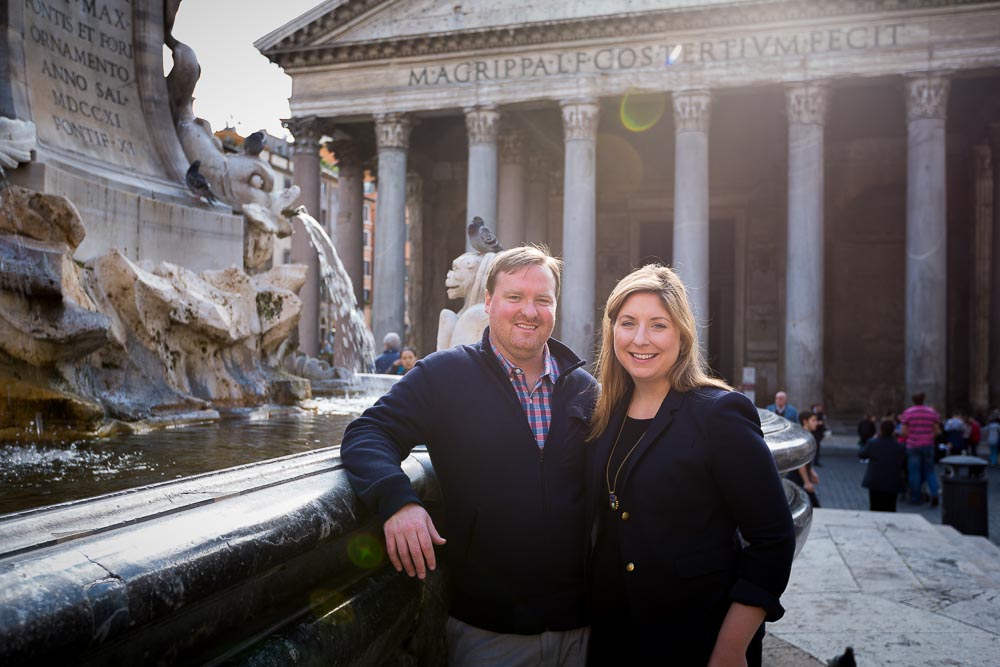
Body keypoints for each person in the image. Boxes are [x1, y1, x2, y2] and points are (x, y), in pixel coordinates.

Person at [341, 246, 598, 666]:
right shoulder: (443, 374)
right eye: (514, 297)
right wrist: (398, 501)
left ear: (555, 307)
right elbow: (368, 433)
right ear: (489, 302)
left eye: (542, 300)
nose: (528, 311)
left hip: (582, 630)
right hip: (489, 631)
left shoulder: (585, 388)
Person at [585, 264, 795, 666]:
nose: (640, 339)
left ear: (682, 335)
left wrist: (731, 649)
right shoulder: (605, 412)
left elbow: (774, 538)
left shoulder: (720, 413)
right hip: (615, 636)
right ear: (612, 331)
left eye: (658, 325)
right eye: (627, 323)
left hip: (696, 637)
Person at [900, 392, 941, 506]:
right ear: (924, 399)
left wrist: (912, 436)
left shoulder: (908, 413)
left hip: (913, 446)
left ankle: (916, 497)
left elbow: (903, 432)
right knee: (930, 471)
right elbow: (937, 431)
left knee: (914, 472)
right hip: (928, 445)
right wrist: (929, 437)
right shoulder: (931, 412)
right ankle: (934, 494)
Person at [859, 418, 907, 512]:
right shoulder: (900, 446)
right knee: (890, 508)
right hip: (893, 482)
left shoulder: (873, 443)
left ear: (880, 429)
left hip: (875, 481)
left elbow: (862, 454)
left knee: (875, 507)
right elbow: (904, 463)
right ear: (893, 431)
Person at [789, 410, 822, 509]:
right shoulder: (802, 437)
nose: (816, 423)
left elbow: (806, 460)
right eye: (813, 420)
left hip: (799, 478)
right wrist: (807, 482)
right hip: (797, 478)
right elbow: (801, 463)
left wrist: (812, 472)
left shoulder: (806, 435)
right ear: (805, 421)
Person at [811, 402, 827, 466]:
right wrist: (817, 423)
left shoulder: (820, 413)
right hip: (814, 432)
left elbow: (823, 421)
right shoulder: (811, 413)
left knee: (817, 447)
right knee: (815, 446)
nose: (820, 408)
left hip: (819, 432)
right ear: (816, 407)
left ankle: (816, 460)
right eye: (819, 407)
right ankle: (814, 461)